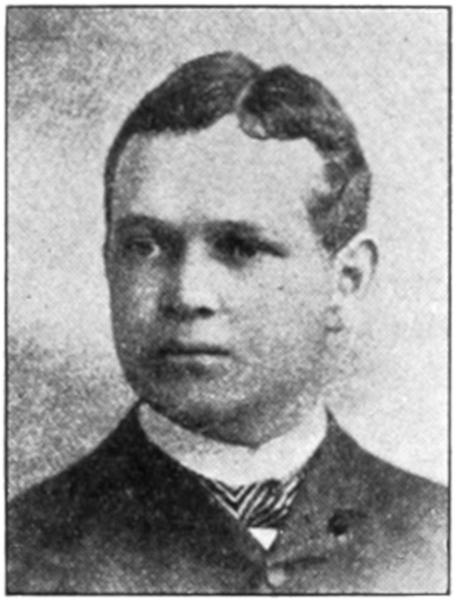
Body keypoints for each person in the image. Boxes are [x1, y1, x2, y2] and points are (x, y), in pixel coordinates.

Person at [8, 51, 448, 593]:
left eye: (240, 247)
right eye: (144, 247)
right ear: (108, 264)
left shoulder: (436, 538)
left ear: (347, 280)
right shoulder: (23, 554)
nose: (186, 295)